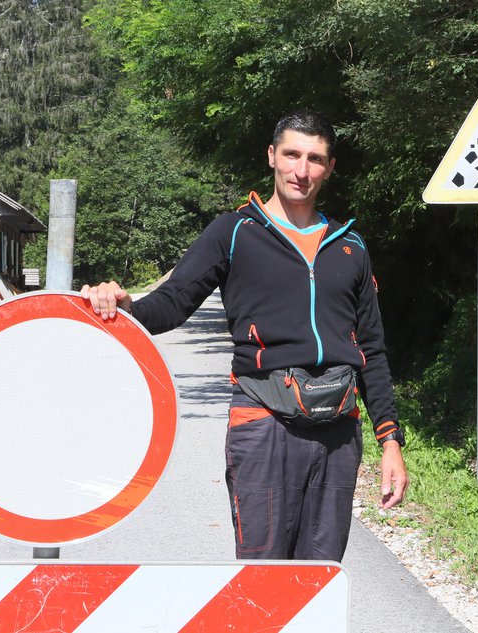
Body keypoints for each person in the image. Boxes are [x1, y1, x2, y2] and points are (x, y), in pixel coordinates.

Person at [82, 109, 408, 561]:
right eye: (292, 154)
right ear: (272, 156)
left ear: (330, 168)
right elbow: (172, 303)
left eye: (315, 159)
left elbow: (371, 348)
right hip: (262, 420)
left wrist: (390, 440)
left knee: (321, 577)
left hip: (339, 430)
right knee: (263, 578)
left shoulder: (350, 246)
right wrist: (124, 305)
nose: (301, 170)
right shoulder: (234, 232)